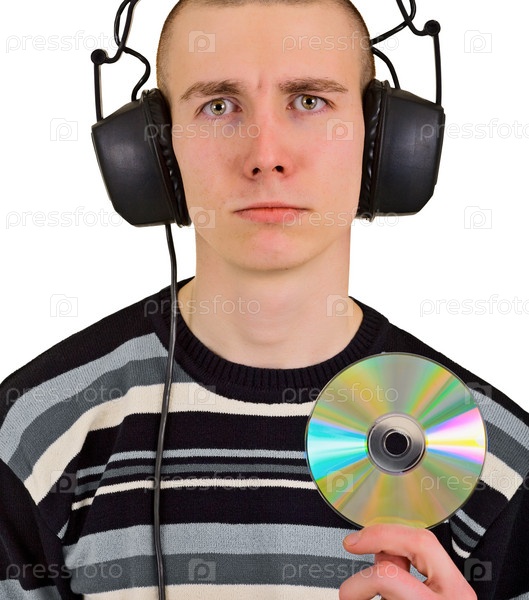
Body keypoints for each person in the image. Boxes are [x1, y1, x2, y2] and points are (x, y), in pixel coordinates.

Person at [1, 0, 528, 599]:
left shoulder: (496, 457)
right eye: (218, 106)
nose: (265, 156)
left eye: (310, 101)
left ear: (383, 140)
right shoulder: (33, 437)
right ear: (155, 150)